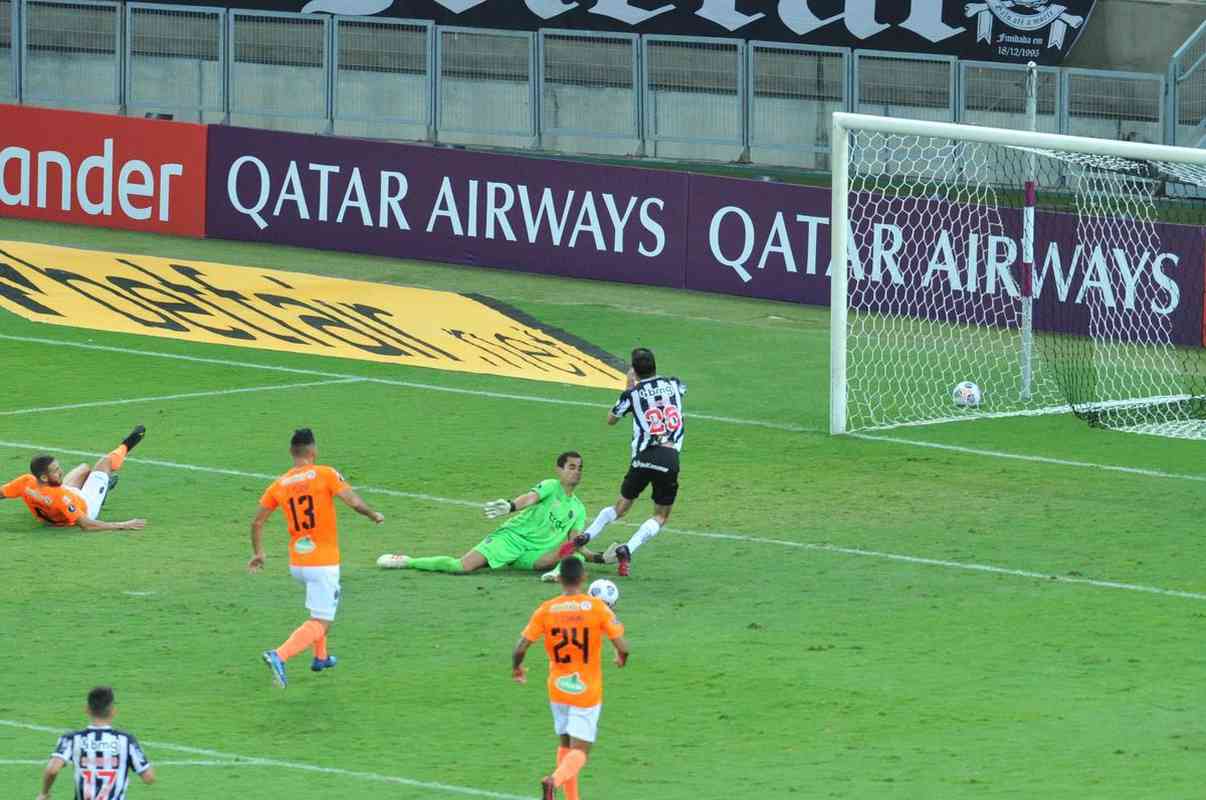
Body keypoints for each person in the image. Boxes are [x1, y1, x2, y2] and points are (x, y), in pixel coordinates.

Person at [250, 428, 385, 688]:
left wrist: (259, 553)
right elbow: (353, 501)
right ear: (314, 451)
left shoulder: (279, 484)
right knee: (321, 620)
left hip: (298, 564)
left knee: (320, 608)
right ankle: (279, 655)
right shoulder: (325, 473)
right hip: (322, 562)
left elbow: (257, 523)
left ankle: (321, 658)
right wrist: (372, 515)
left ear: (291, 452)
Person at [513, 556, 629, 800]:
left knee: (565, 745)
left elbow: (521, 647)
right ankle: (553, 781)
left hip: (558, 688)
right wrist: (620, 657)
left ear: (560, 579)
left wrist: (518, 668)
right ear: (584, 578)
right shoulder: (597, 607)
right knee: (581, 751)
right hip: (586, 690)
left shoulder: (547, 609)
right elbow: (623, 646)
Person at [562, 347, 685, 576]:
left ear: (634, 371)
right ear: (655, 365)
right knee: (660, 515)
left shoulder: (632, 394)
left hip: (643, 457)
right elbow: (673, 394)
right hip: (669, 458)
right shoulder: (675, 384)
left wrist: (630, 387)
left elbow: (611, 419)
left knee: (620, 507)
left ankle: (586, 535)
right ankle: (628, 548)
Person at [377, 451, 592, 575]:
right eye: (571, 467)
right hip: (512, 538)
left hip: (534, 553)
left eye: (580, 468)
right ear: (559, 470)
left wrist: (599, 557)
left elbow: (575, 542)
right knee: (461, 567)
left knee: (567, 553)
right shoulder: (550, 485)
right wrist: (510, 506)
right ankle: (408, 561)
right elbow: (529, 498)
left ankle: (554, 575)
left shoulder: (579, 508)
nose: (576, 472)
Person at [2, 426, 147, 532]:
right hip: (86, 504)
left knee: (84, 468)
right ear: (44, 477)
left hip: (65, 494)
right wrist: (124, 524)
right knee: (105, 463)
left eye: (59, 468)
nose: (61, 472)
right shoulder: (61, 497)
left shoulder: (26, 482)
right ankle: (125, 446)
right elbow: (87, 524)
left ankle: (103, 483)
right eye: (56, 471)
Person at [38, 686, 155, 800]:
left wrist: (44, 793)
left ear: (87, 710)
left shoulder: (72, 738)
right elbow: (148, 777)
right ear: (113, 711)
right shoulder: (127, 740)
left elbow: (52, 770)